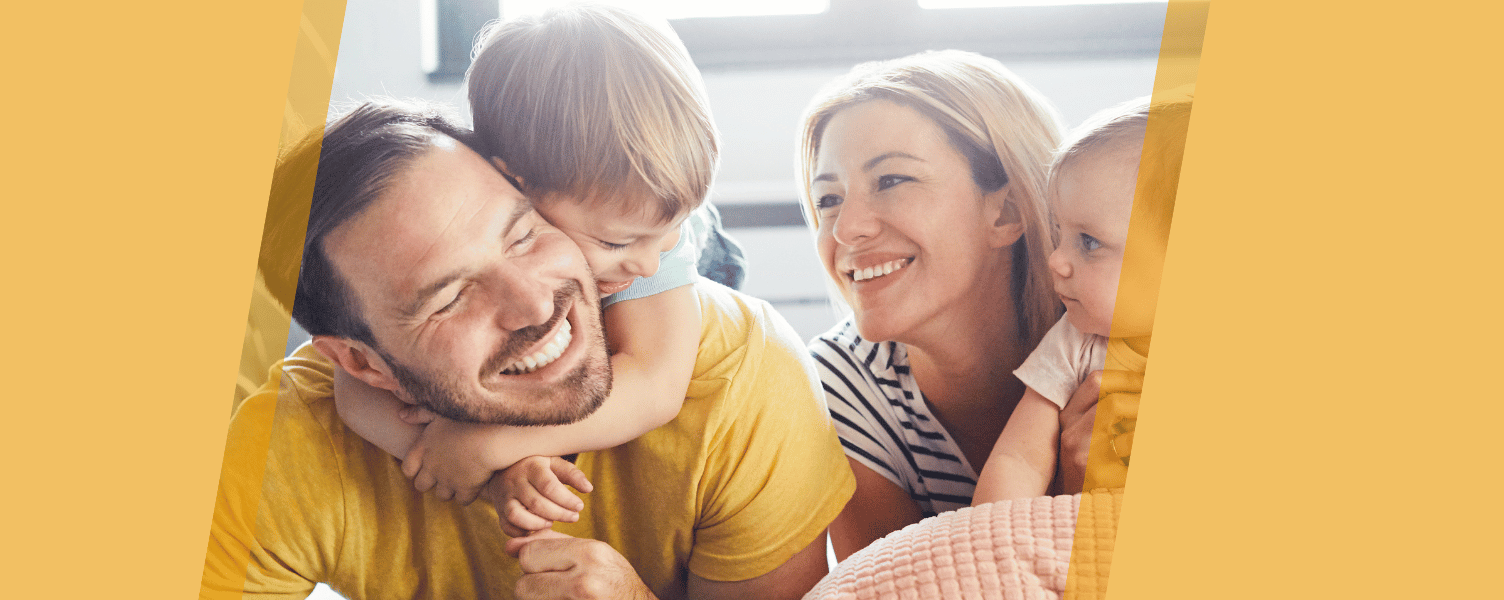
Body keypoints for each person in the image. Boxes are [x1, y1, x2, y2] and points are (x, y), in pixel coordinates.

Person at [200, 100, 854, 599]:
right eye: (449, 297)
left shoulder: (741, 383)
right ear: (363, 365)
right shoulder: (285, 449)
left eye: (523, 235)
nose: (537, 305)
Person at [327, 6, 737, 534]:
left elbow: (656, 387)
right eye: (615, 241)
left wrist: (490, 444)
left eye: (671, 229)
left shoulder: (647, 234)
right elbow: (354, 390)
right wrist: (459, 462)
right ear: (516, 188)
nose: (649, 260)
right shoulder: (471, 190)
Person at [797, 50, 1101, 560]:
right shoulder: (837, 384)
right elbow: (887, 589)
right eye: (828, 199)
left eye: (892, 180)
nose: (846, 229)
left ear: (1004, 211)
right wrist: (1071, 500)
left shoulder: (1114, 332)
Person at [971, 92, 1189, 505]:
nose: (1056, 260)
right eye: (1060, 233)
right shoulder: (1074, 342)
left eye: (1089, 242)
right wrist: (998, 543)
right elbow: (1018, 461)